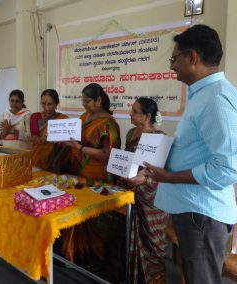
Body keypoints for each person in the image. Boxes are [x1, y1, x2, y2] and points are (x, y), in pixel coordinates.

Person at [139, 25, 237, 284]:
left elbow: (227, 169)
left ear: (193, 57)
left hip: (202, 216)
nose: (172, 66)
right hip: (195, 213)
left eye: (174, 59)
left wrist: (168, 176)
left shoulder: (216, 99)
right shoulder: (202, 96)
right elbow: (199, 150)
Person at [55, 83, 121, 274]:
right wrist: (63, 139)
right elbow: (74, 138)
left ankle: (93, 260)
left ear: (99, 100)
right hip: (78, 175)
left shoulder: (108, 124)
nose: (84, 105)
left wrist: (79, 148)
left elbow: (107, 154)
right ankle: (72, 255)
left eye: (88, 101)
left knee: (92, 220)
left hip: (97, 178)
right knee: (75, 215)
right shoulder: (85, 117)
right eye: (82, 101)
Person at [118, 98, 168, 283]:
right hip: (129, 189)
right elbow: (128, 158)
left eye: (135, 111)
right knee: (127, 234)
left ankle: (153, 279)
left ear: (147, 116)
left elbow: (162, 171)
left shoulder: (159, 137)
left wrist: (144, 178)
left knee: (152, 245)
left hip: (149, 196)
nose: (130, 114)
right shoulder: (132, 132)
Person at [30, 89, 68, 170]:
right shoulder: (35, 116)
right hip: (38, 158)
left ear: (56, 103)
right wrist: (43, 139)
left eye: (49, 104)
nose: (46, 107)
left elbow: (66, 141)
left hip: (56, 158)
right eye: (43, 103)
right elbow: (34, 138)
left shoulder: (63, 119)